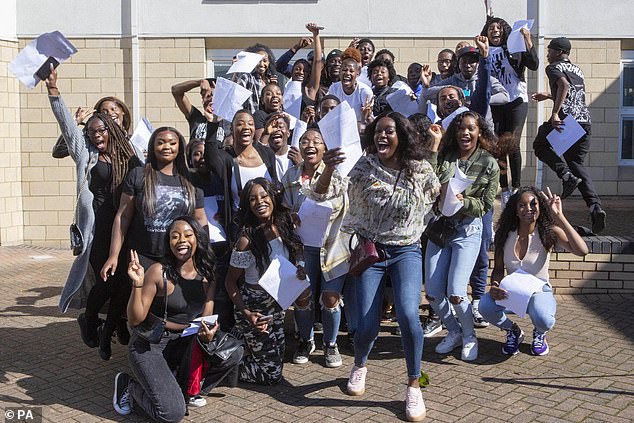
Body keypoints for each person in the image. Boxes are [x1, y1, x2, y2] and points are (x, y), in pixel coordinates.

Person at [343, 112, 440, 422]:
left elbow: (435, 198)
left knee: (409, 315)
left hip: (406, 250)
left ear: (402, 136)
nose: (381, 137)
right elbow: (343, 192)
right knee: (366, 325)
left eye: (389, 132)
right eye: (377, 132)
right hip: (372, 252)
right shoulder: (365, 166)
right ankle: (360, 364)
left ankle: (414, 384)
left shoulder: (419, 170)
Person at [46, 67, 141, 360]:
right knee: (107, 280)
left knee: (125, 279)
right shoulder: (86, 153)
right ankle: (89, 318)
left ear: (113, 128)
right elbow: (66, 126)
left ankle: (109, 333)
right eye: (92, 131)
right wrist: (53, 91)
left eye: (102, 130)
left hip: (125, 224)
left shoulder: (131, 153)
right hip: (98, 226)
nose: (97, 135)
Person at [113, 216, 243, 420]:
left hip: (186, 340)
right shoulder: (158, 272)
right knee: (171, 413)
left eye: (188, 235)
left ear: (197, 239)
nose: (181, 240)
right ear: (169, 243)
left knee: (232, 352)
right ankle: (130, 388)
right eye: (175, 236)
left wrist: (208, 334)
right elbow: (135, 320)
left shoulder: (207, 274)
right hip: (151, 343)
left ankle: (187, 390)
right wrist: (137, 284)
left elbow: (206, 315)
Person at [424, 110, 500, 362]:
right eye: (461, 128)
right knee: (433, 293)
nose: (465, 133)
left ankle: (470, 336)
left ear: (480, 132)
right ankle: (454, 331)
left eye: (471, 128)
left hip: (468, 230)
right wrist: (434, 147)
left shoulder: (488, 162)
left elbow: (486, 205)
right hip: (441, 228)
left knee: (456, 291)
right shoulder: (446, 156)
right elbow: (429, 179)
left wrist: (463, 201)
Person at [479, 187, 589, 355]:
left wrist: (559, 216)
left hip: (539, 293)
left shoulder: (549, 232)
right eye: (522, 205)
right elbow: (499, 269)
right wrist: (494, 285)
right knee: (484, 306)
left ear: (540, 207)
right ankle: (513, 331)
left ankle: (540, 332)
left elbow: (582, 251)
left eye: (533, 204)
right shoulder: (504, 234)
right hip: (513, 292)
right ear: (515, 210)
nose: (528, 209)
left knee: (544, 319)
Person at [225, 178, 306, 384]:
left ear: (273, 197)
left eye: (263, 196)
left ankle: (242, 340)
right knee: (271, 375)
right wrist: (247, 313)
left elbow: (294, 255)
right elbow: (230, 282)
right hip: (255, 307)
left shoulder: (284, 223)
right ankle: (222, 365)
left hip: (277, 303)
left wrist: (299, 270)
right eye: (252, 199)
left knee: (276, 362)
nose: (259, 202)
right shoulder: (247, 240)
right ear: (247, 205)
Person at [281, 127, 351, 368]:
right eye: (304, 141)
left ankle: (330, 344)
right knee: (303, 297)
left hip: (332, 246)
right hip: (302, 247)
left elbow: (344, 208)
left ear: (325, 148)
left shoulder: (339, 174)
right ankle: (305, 340)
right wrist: (288, 215)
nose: (310, 145)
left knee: (330, 298)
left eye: (317, 141)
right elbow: (281, 209)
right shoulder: (289, 176)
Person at [101, 127, 208, 279]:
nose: (167, 147)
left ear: (180, 147)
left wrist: (203, 254)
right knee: (140, 301)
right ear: (152, 146)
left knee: (174, 302)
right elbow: (123, 217)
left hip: (179, 256)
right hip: (143, 257)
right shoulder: (138, 175)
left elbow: (200, 220)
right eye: (161, 142)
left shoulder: (191, 179)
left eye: (172, 143)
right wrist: (113, 255)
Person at [531, 37, 606, 234]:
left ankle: (566, 176)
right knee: (576, 164)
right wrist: (548, 95)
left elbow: (564, 86)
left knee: (540, 145)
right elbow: (572, 91)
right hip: (585, 122)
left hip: (568, 121)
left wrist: (555, 113)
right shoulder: (577, 69)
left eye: (549, 51)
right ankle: (595, 207)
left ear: (558, 52)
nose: (547, 55)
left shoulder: (553, 67)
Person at [481, 15, 539, 206]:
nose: (495, 30)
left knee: (512, 143)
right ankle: (504, 189)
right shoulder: (485, 51)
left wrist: (527, 40)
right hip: (496, 103)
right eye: (491, 28)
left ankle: (516, 187)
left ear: (504, 31)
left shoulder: (513, 48)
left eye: (498, 28)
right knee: (497, 146)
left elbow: (534, 64)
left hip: (516, 101)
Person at [203, 110, 279, 237]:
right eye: (240, 124)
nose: (246, 127)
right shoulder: (227, 158)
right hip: (242, 229)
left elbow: (275, 186)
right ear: (232, 130)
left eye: (250, 124)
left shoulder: (267, 153)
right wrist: (213, 123)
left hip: (271, 224)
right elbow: (210, 156)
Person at [422, 36, 509, 124]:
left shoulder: (487, 79)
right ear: (458, 64)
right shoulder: (452, 80)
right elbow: (426, 94)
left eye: (471, 62)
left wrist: (483, 100)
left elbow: (505, 96)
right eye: (464, 62)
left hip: (483, 124)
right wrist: (452, 88)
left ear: (478, 63)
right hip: (459, 126)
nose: (467, 65)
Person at [52, 95, 133, 159]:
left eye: (113, 109)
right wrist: (74, 123)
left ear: (122, 111)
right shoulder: (94, 140)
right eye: (105, 112)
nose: (110, 113)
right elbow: (58, 152)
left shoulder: (132, 141)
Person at [171, 78, 228, 145]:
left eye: (211, 95)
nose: (207, 99)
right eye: (203, 95)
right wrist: (199, 82)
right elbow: (175, 91)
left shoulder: (229, 121)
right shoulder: (197, 119)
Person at [327, 48, 373, 123]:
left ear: (357, 73)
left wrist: (366, 115)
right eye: (344, 70)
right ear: (340, 71)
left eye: (351, 71)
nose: (347, 73)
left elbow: (369, 121)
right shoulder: (334, 88)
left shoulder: (365, 91)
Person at [233, 44, 279, 115]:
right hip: (252, 119)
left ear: (269, 62)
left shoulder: (272, 80)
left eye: (265, 61)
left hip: (268, 120)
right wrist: (236, 71)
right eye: (258, 61)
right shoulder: (247, 77)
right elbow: (236, 96)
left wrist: (274, 86)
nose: (261, 64)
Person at [260, 113, 301, 178]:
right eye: (273, 127)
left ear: (288, 133)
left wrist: (300, 165)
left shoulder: (296, 154)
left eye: (280, 127)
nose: (277, 130)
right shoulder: (264, 155)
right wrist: (266, 133)